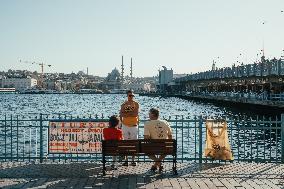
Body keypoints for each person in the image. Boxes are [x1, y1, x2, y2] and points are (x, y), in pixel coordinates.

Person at [144, 108, 172, 172]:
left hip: (154, 147)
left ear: (153, 115)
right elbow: (170, 135)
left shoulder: (147, 123)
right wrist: (169, 144)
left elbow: (146, 138)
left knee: (147, 151)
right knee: (165, 151)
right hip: (165, 147)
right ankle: (157, 164)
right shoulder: (165, 122)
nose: (148, 114)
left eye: (149, 113)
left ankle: (157, 163)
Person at [119, 89, 139, 166]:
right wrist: (130, 113)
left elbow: (135, 114)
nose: (131, 97)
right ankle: (126, 160)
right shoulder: (123, 104)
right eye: (130, 95)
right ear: (127, 96)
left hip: (134, 125)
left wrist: (126, 113)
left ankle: (133, 160)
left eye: (132, 95)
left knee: (134, 143)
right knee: (126, 143)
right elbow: (121, 114)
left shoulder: (136, 104)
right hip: (125, 125)